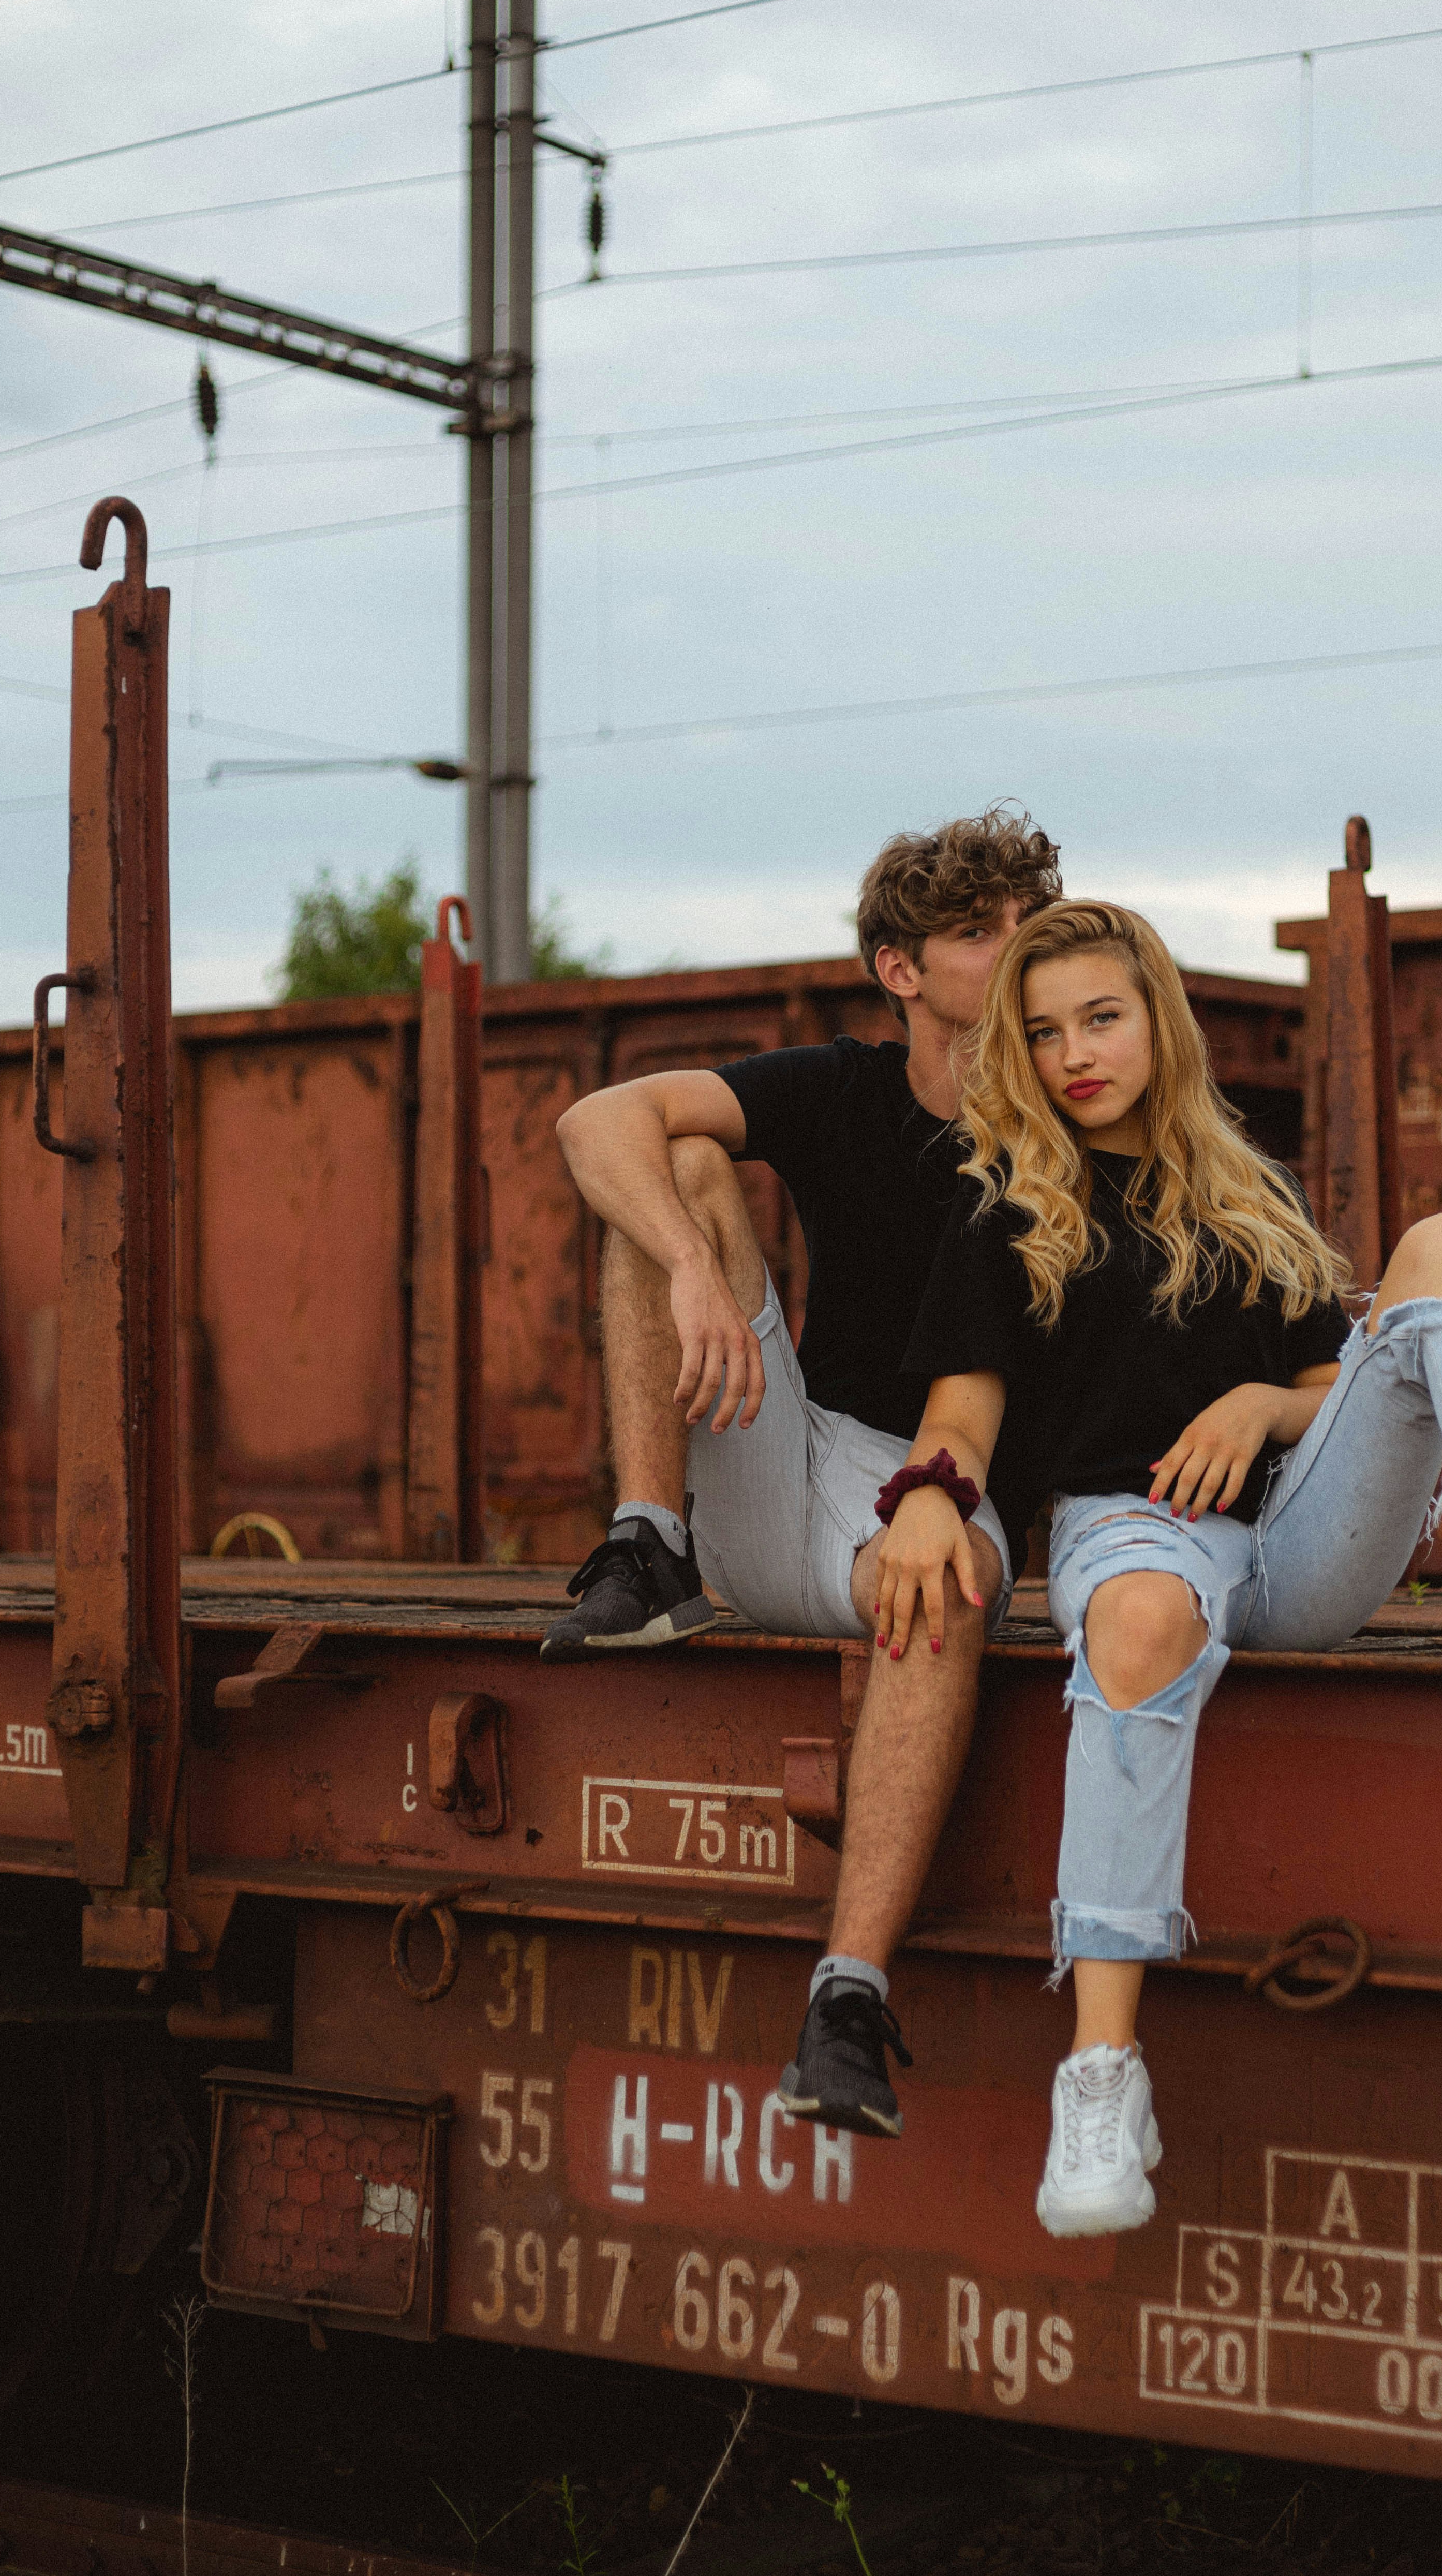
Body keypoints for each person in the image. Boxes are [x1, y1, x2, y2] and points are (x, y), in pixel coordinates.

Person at [877, 899, 1442, 2239]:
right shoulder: (997, 1211)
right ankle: (1103, 2078)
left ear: (1156, 1021)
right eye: (1044, 1030)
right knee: (1138, 1618)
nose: (1075, 1054)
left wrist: (1257, 1406)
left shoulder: (1247, 1191)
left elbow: (1327, 1384)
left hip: (1299, 1544)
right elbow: (964, 1413)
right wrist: (934, 1498)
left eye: (1102, 1017)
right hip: (1135, 1530)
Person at [548, 808, 1064, 2139]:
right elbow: (597, 1118)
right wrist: (684, 1261)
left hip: (957, 1487)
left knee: (939, 1585)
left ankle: (845, 2003)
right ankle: (649, 1539)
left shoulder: (1079, 1111)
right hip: (802, 1462)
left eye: (1028, 921)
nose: (1015, 949)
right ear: (899, 969)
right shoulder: (847, 1086)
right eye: (975, 929)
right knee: (675, 1161)